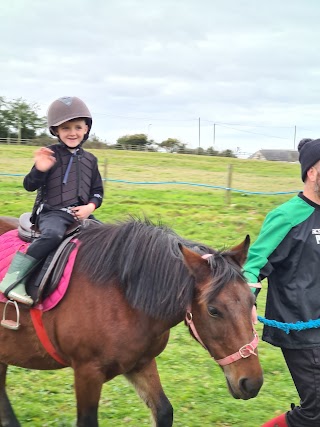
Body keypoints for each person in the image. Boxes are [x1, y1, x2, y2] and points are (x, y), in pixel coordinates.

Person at [243, 138, 320, 427]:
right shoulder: (287, 217)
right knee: (316, 413)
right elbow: (252, 267)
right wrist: (247, 301)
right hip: (300, 326)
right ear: (312, 172)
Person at [0, 96, 104, 306]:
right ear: (56, 130)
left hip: (80, 214)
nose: (72, 132)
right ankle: (13, 278)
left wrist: (89, 207)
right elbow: (29, 185)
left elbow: (97, 192)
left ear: (86, 129)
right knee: (52, 235)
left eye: (77, 127)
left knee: (108, 239)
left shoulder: (91, 160)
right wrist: (40, 168)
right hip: (52, 212)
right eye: (65, 128)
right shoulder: (50, 154)